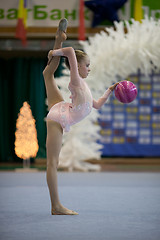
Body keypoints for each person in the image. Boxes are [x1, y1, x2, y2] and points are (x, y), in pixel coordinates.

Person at [43, 18, 118, 215]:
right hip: (59, 118)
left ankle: (59, 37)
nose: (89, 68)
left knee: (47, 75)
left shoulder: (85, 87)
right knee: (52, 163)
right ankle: (55, 206)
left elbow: (97, 105)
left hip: (62, 108)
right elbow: (69, 52)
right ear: (78, 67)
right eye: (87, 65)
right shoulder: (76, 80)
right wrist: (55, 52)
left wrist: (110, 91)